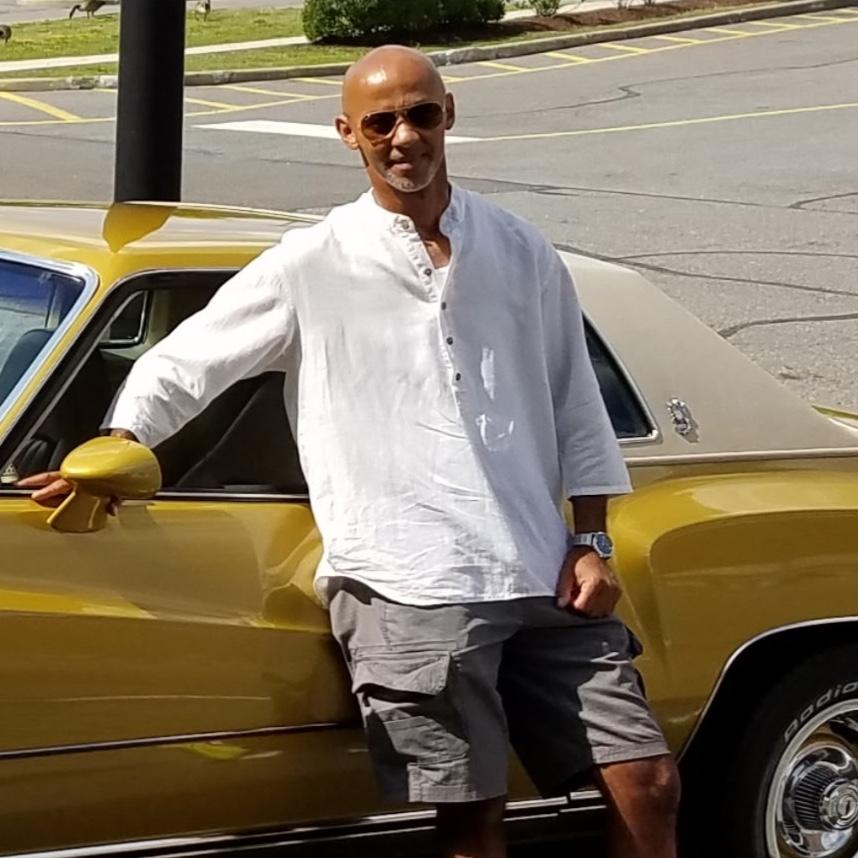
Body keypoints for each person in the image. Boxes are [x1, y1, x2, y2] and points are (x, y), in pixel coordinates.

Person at [22, 45, 680, 858]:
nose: (404, 137)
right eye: (380, 123)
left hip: (542, 573)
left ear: (449, 115)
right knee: (472, 822)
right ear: (348, 134)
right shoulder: (311, 262)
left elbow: (575, 398)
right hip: (404, 582)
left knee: (648, 783)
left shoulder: (519, 247)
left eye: (421, 114)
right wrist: (119, 446)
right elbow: (183, 364)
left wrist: (591, 540)